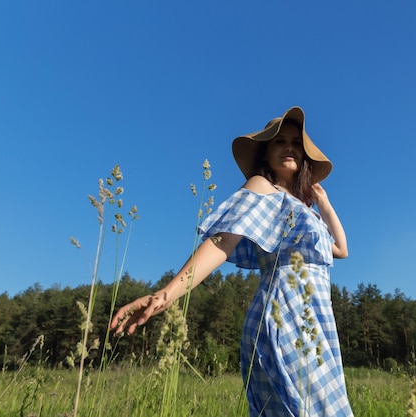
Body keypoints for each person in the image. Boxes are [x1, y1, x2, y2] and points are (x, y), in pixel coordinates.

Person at [110, 106, 354, 416]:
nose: (289, 147)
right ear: (265, 154)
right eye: (279, 142)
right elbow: (221, 241)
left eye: (296, 142)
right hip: (287, 314)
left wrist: (325, 204)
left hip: (317, 320)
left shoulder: (306, 211)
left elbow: (341, 249)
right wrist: (167, 294)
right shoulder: (263, 187)